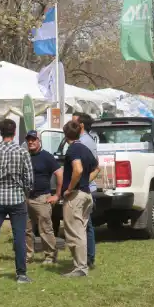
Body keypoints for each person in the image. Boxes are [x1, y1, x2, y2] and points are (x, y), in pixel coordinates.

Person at [0, 118, 33, 284]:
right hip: (17, 199)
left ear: (1, 132)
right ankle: (21, 274)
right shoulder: (22, 152)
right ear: (15, 132)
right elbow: (29, 179)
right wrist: (24, 193)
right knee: (19, 237)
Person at [60, 120, 97, 278]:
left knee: (75, 232)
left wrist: (70, 188)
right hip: (87, 194)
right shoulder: (85, 149)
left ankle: (80, 267)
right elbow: (97, 168)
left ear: (65, 134)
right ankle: (81, 264)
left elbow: (78, 169)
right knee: (81, 230)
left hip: (76, 196)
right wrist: (85, 182)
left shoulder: (73, 149)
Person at [23, 130, 62, 265]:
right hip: (25, 197)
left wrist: (57, 195)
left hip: (42, 198)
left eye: (33, 139)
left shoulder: (47, 157)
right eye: (29, 139)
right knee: (25, 229)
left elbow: (59, 174)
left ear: (39, 141)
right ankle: (28, 256)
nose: (31, 142)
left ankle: (50, 256)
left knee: (45, 229)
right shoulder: (25, 156)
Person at [73, 113, 99, 269]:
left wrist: (81, 183)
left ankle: (88, 258)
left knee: (86, 225)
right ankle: (86, 257)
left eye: (73, 122)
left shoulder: (84, 142)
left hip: (85, 188)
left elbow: (92, 167)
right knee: (85, 224)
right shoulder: (85, 140)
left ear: (81, 125)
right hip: (86, 187)